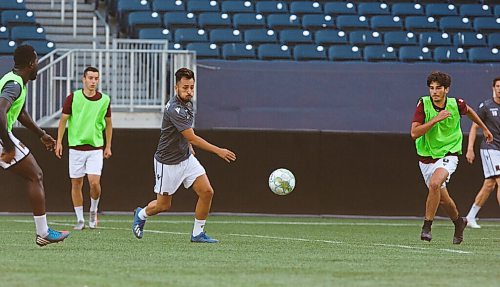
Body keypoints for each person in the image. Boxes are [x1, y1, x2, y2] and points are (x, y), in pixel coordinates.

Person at [132, 67, 236, 243]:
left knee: (207, 192)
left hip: (186, 158)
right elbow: (192, 137)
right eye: (185, 88)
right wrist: (219, 150)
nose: (189, 91)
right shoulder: (174, 109)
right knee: (163, 205)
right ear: (176, 87)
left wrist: (187, 145)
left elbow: (185, 134)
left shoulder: (188, 103)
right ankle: (141, 214)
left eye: (191, 87)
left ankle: (197, 233)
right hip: (167, 162)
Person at [410, 71, 493, 244]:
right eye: (431, 88)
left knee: (435, 183)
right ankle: (459, 222)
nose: (434, 91)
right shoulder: (423, 104)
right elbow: (414, 133)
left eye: (438, 88)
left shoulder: (456, 103)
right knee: (444, 200)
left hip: (449, 153)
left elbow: (469, 112)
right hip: (426, 158)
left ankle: (426, 227)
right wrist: (435, 120)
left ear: (446, 89)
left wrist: (484, 128)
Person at [0, 45, 70, 246]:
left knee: (34, 175)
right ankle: (43, 232)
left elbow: (21, 113)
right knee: (35, 175)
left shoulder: (15, 81)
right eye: (37, 61)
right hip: (1, 137)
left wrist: (41, 134)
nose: (38, 64)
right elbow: (0, 112)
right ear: (31, 64)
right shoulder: (14, 84)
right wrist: (8, 144)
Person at [55, 66, 112, 230]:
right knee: (76, 184)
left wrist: (108, 145)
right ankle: (80, 219)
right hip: (75, 148)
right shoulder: (73, 98)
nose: (93, 81)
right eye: (90, 78)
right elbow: (63, 121)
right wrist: (59, 142)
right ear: (84, 79)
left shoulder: (104, 100)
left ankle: (93, 211)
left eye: (96, 78)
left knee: (94, 183)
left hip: (95, 148)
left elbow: (108, 124)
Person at [465, 77, 500, 228]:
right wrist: (470, 149)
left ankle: (470, 216)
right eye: (498, 86)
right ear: (493, 87)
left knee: (489, 184)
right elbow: (474, 127)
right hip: (490, 148)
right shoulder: (485, 106)